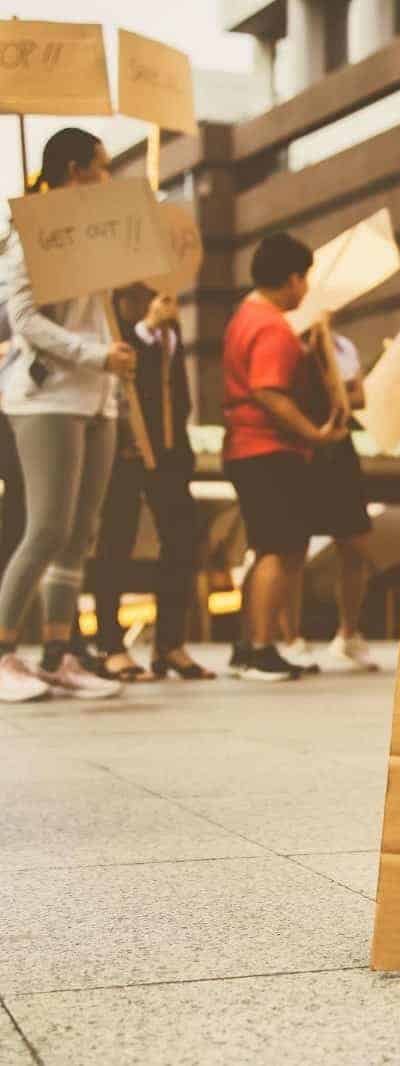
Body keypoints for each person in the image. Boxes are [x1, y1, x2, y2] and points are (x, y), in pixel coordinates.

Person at [0, 128, 136, 702]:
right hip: (47, 397)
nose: (109, 178)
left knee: (80, 534)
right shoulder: (29, 234)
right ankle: (5, 652)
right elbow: (24, 318)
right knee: (48, 525)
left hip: (97, 396)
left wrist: (112, 363)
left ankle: (59, 654)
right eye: (102, 167)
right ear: (77, 169)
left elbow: (97, 318)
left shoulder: (98, 239)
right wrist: (94, 354)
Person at [222, 232, 345, 682]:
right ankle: (259, 647)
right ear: (291, 278)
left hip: (249, 448)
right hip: (267, 449)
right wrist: (314, 433)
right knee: (278, 547)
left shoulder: (245, 316)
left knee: (271, 546)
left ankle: (249, 645)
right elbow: (269, 392)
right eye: (305, 278)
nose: (307, 289)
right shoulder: (272, 325)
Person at [89, 286, 213, 682]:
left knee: (181, 541)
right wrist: (145, 329)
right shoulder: (113, 320)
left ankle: (170, 645)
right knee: (115, 545)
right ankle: (110, 644)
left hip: (170, 455)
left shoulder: (171, 332)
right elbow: (124, 383)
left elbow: (181, 400)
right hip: (123, 453)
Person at [298, 326, 378, 672]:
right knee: (292, 545)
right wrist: (333, 389)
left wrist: (337, 389)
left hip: (341, 446)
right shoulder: (293, 343)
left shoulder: (343, 345)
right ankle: (291, 636)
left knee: (356, 542)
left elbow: (358, 398)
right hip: (304, 445)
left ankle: (347, 632)